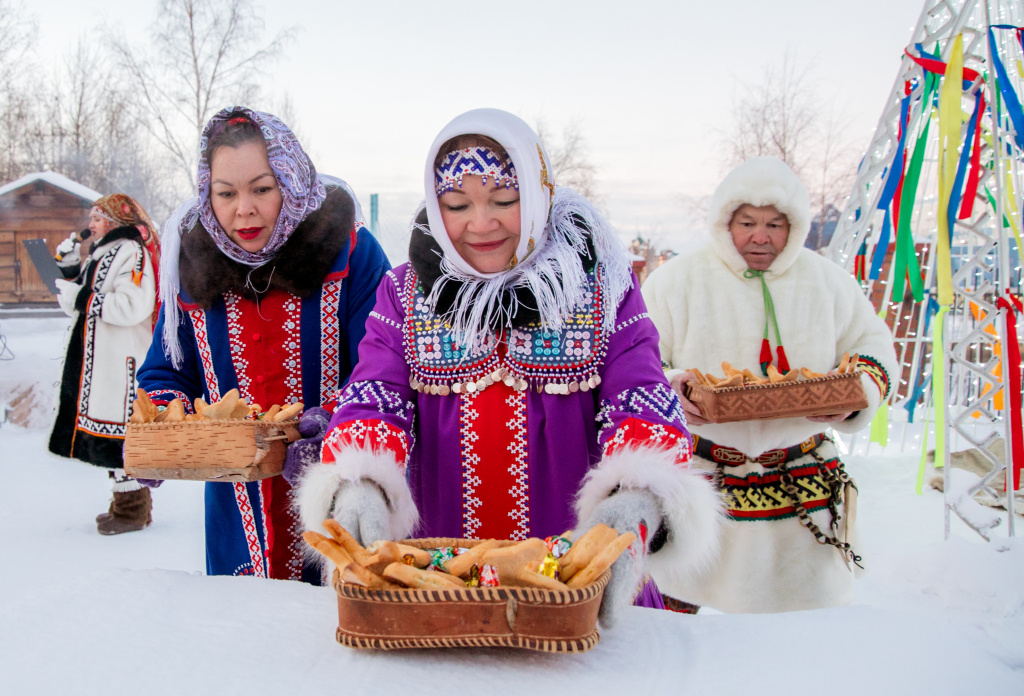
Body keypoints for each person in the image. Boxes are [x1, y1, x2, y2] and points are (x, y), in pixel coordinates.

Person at [295, 108, 722, 625]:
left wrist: (637, 498)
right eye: (456, 204)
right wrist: (360, 479)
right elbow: (374, 396)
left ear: (540, 195)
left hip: (577, 589)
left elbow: (640, 398)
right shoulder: (405, 292)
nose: (481, 223)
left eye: (505, 199)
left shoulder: (603, 287)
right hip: (437, 594)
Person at [137, 107, 390, 582]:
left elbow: (383, 369)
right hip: (235, 515)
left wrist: (327, 424)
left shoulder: (350, 253)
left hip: (341, 500)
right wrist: (166, 430)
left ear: (291, 185)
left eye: (262, 189)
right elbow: (166, 373)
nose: (243, 210)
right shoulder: (191, 269)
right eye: (225, 193)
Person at [642, 156, 899, 613]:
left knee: (801, 631)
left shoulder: (829, 283)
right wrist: (672, 389)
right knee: (672, 627)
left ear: (795, 226)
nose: (760, 236)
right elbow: (639, 359)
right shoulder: (674, 283)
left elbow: (873, 343)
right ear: (725, 222)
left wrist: (856, 393)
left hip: (800, 482)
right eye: (747, 222)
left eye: (775, 224)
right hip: (703, 477)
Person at [49, 194, 160, 535]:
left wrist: (80, 296)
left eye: (97, 218)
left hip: (121, 358)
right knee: (107, 431)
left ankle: (132, 511)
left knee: (120, 435)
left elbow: (131, 306)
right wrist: (70, 268)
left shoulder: (132, 253)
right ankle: (126, 505)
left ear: (113, 221)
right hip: (100, 360)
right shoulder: (102, 253)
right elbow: (81, 301)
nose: (91, 224)